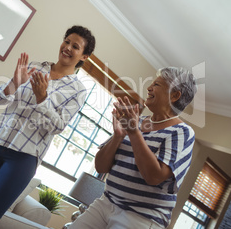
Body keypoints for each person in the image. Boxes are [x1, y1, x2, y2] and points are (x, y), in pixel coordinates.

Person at [0, 25, 96, 228]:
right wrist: (15, 81)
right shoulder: (36, 66)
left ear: (84, 56)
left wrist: (42, 98)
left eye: (75, 46)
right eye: (67, 41)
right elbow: (1, 99)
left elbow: (58, 126)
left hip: (22, 158)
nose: (68, 48)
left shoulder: (78, 90)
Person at [69, 67, 197, 229]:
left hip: (142, 217)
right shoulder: (136, 121)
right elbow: (100, 166)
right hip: (106, 203)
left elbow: (154, 176)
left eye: (156, 85)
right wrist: (117, 136)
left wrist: (134, 132)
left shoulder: (182, 132)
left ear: (175, 94)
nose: (149, 88)